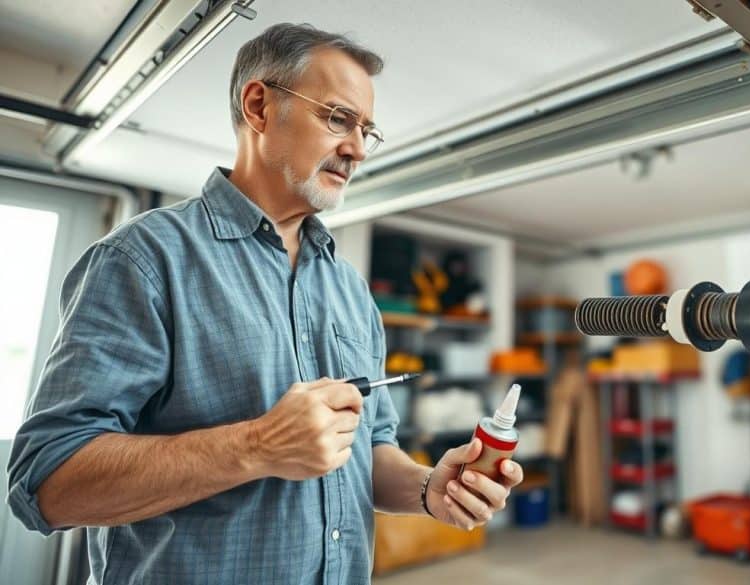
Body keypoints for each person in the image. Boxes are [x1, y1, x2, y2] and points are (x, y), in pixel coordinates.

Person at [7, 22, 522, 584]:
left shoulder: (351, 291)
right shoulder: (143, 261)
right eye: (338, 118)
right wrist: (255, 446)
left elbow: (369, 449)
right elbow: (46, 482)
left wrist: (429, 488)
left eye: (365, 130)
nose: (355, 148)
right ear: (259, 106)